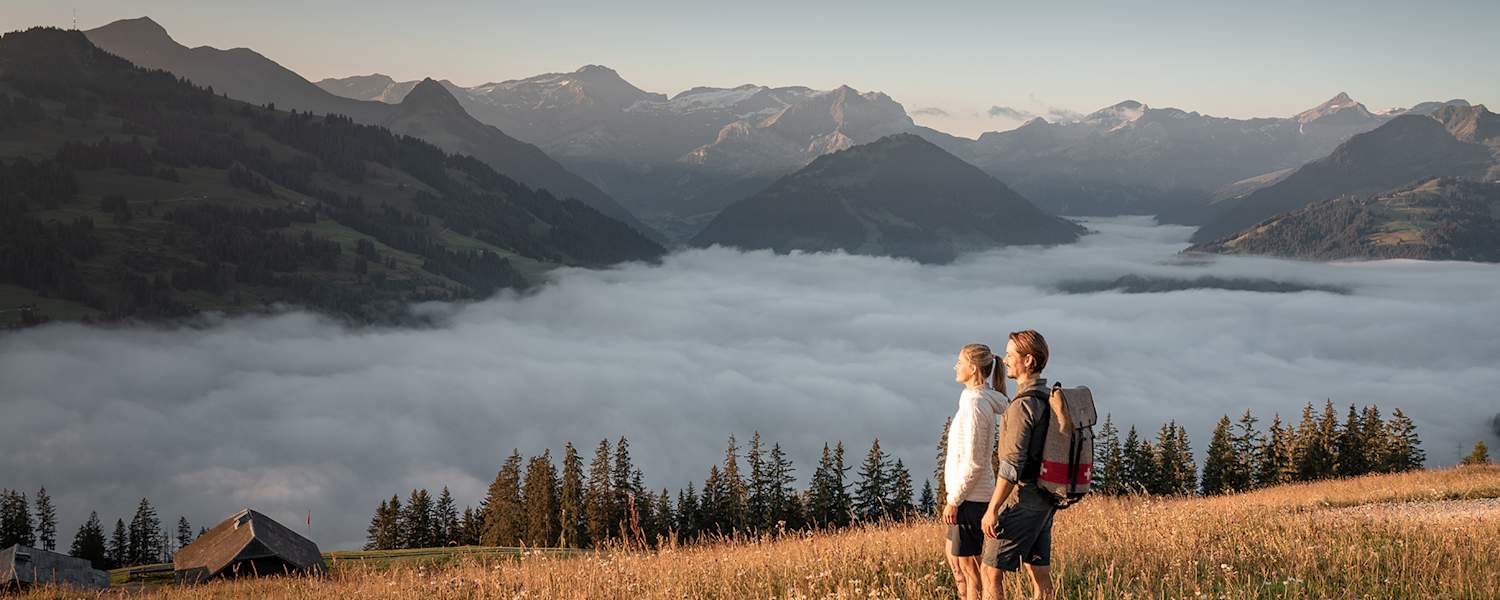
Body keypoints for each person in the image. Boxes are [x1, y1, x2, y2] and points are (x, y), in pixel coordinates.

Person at [981, 330, 1058, 600]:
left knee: (990, 570)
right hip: (1046, 498)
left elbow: (1011, 466)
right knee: (1040, 575)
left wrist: (993, 508)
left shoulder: (1022, 406)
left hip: (1026, 499)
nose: (1005, 359)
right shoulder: (1048, 398)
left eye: (1011, 354)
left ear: (1028, 360)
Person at [943, 343, 1008, 600]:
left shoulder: (975, 405)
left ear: (972, 369)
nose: (956, 367)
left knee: (971, 571)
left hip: (971, 499)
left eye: (960, 362)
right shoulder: (974, 400)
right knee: (959, 564)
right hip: (971, 497)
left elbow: (975, 462)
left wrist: (954, 500)